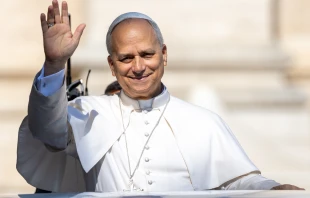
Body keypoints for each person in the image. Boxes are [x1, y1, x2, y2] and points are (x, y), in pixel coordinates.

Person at [16, 0, 303, 192]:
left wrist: (272, 189)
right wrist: (54, 65)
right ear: (111, 65)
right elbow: (47, 131)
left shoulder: (203, 121)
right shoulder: (87, 113)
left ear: (164, 55)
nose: (138, 67)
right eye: (126, 58)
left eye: (147, 54)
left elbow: (239, 182)